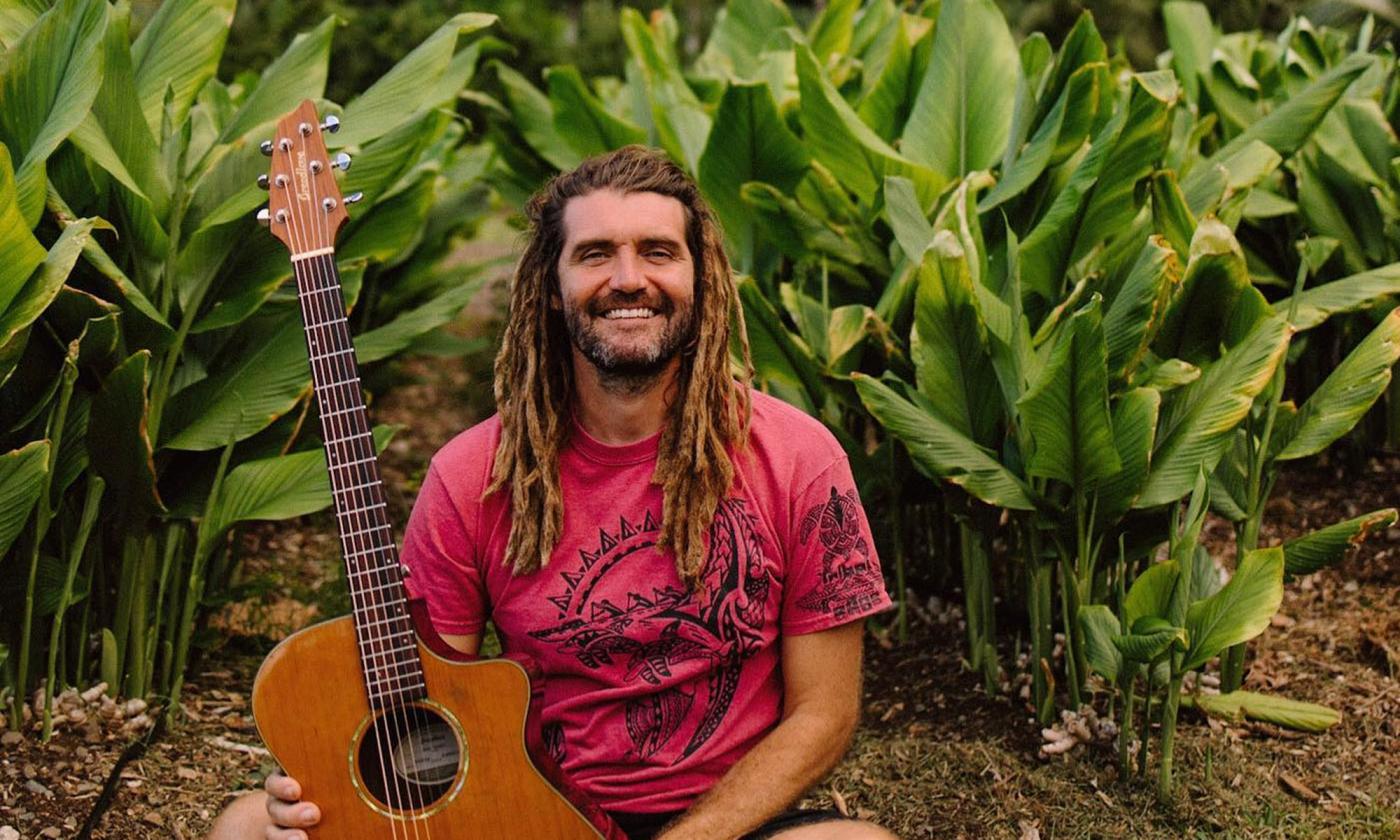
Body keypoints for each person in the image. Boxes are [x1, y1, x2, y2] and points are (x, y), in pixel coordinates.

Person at [209, 146, 897, 840]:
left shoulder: (799, 458)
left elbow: (825, 712)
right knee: (245, 829)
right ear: (550, 284)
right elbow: (417, 706)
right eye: (595, 254)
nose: (629, 280)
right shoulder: (471, 475)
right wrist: (328, 785)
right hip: (526, 809)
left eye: (658, 252)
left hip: (727, 825)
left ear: (702, 278)